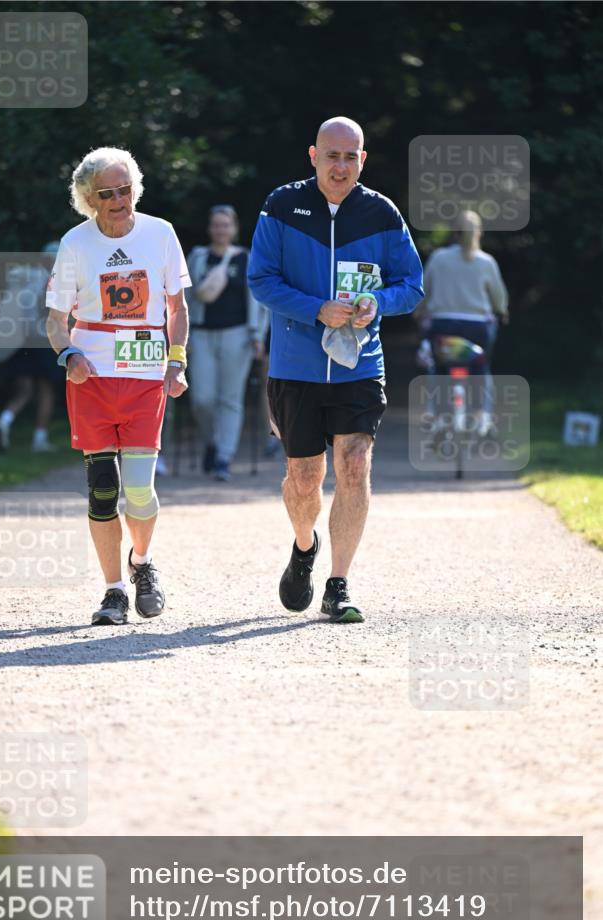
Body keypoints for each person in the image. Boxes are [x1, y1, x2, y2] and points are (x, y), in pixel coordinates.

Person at [248, 117, 423, 623]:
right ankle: (305, 547)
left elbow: (411, 285)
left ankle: (338, 583)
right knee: (304, 477)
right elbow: (261, 279)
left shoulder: (381, 214)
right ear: (313, 156)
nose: (340, 165)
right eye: (332, 155)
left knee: (353, 464)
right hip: (294, 366)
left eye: (351, 156)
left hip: (359, 366)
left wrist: (378, 302)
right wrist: (314, 309)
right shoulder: (282, 205)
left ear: (362, 160)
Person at [45, 147, 190, 625]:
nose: (118, 200)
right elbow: (55, 320)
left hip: (146, 375)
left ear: (136, 189)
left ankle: (142, 564)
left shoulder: (161, 233)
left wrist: (177, 361)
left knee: (140, 492)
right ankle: (112, 592)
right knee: (103, 490)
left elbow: (177, 309)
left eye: (124, 190)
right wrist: (69, 354)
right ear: (89, 198)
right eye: (106, 193)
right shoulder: (75, 243)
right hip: (92, 379)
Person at [186, 205, 266, 481]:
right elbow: (182, 297)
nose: (221, 230)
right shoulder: (197, 257)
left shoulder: (246, 259)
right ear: (210, 228)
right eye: (216, 225)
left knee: (230, 399)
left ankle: (223, 457)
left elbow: (259, 302)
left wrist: (257, 336)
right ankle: (211, 441)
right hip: (200, 334)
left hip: (238, 335)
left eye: (226, 225)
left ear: (234, 228)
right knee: (202, 399)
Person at [417, 211, 509, 435]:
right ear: (479, 233)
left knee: (438, 368)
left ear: (454, 233)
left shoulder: (439, 258)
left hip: (442, 326)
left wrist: (420, 313)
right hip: (477, 328)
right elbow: (499, 297)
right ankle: (481, 416)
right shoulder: (486, 262)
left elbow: (423, 290)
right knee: (480, 367)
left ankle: (439, 417)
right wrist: (502, 311)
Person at [0, 242, 61, 453]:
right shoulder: (53, 282)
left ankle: (4, 421)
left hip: (21, 341)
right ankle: (39, 439)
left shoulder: (24, 279)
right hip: (43, 341)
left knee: (24, 390)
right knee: (46, 390)